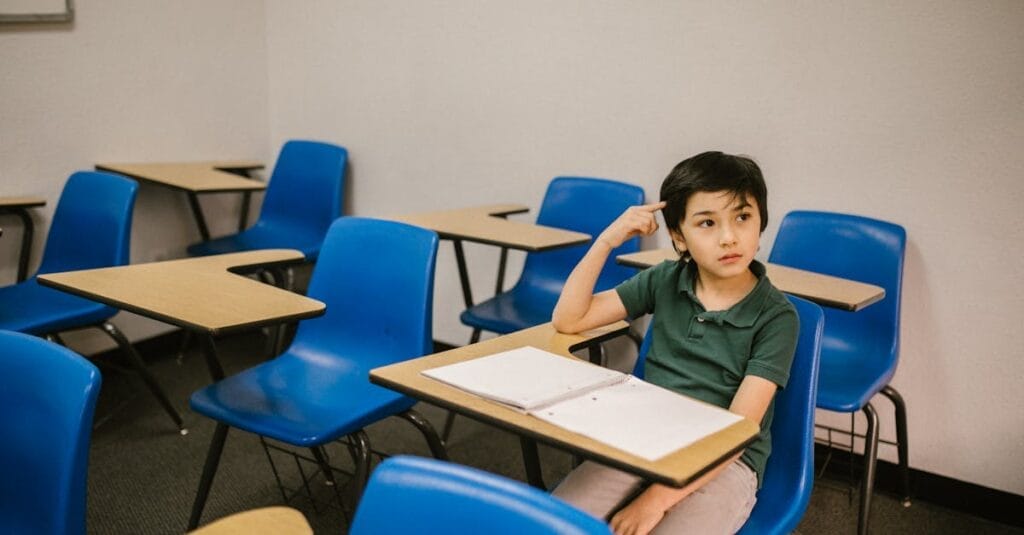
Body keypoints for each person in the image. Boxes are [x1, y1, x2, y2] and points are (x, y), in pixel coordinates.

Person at [551, 151, 798, 535]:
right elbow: (569, 319)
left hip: (727, 461)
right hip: (649, 436)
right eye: (707, 223)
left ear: (761, 222)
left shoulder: (777, 317)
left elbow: (737, 431)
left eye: (742, 217)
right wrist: (605, 242)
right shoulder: (665, 279)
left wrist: (654, 501)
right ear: (679, 237)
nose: (729, 236)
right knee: (554, 523)